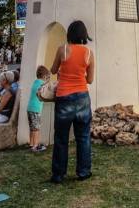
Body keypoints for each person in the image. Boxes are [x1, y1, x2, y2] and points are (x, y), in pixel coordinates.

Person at [50, 20, 95, 183]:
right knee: (83, 136)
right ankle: (83, 172)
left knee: (61, 138)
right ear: (84, 35)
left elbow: (53, 70)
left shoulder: (62, 50)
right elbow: (90, 80)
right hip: (82, 97)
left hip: (64, 97)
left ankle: (58, 175)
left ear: (69, 34)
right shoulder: (89, 53)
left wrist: (65, 71)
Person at [27, 65, 50, 153]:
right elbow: (45, 92)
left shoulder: (35, 82)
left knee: (32, 128)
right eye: (47, 77)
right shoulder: (41, 84)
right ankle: (36, 146)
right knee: (36, 128)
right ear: (44, 76)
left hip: (30, 108)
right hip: (36, 109)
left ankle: (31, 144)